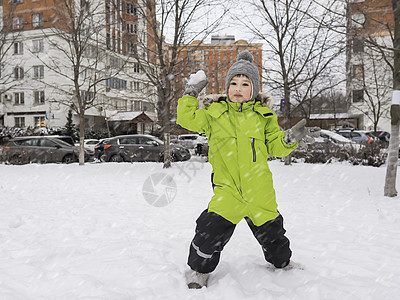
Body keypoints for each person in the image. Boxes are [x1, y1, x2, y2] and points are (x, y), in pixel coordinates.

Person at [177, 50, 319, 289]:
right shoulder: (214, 114)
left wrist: (290, 139)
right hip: (228, 191)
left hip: (259, 192)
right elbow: (186, 118)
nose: (238, 88)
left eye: (245, 83)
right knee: (208, 232)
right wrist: (191, 93)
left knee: (274, 237)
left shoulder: (264, 117)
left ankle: (283, 263)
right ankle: (199, 271)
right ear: (227, 87)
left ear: (254, 89)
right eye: (233, 83)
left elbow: (276, 146)